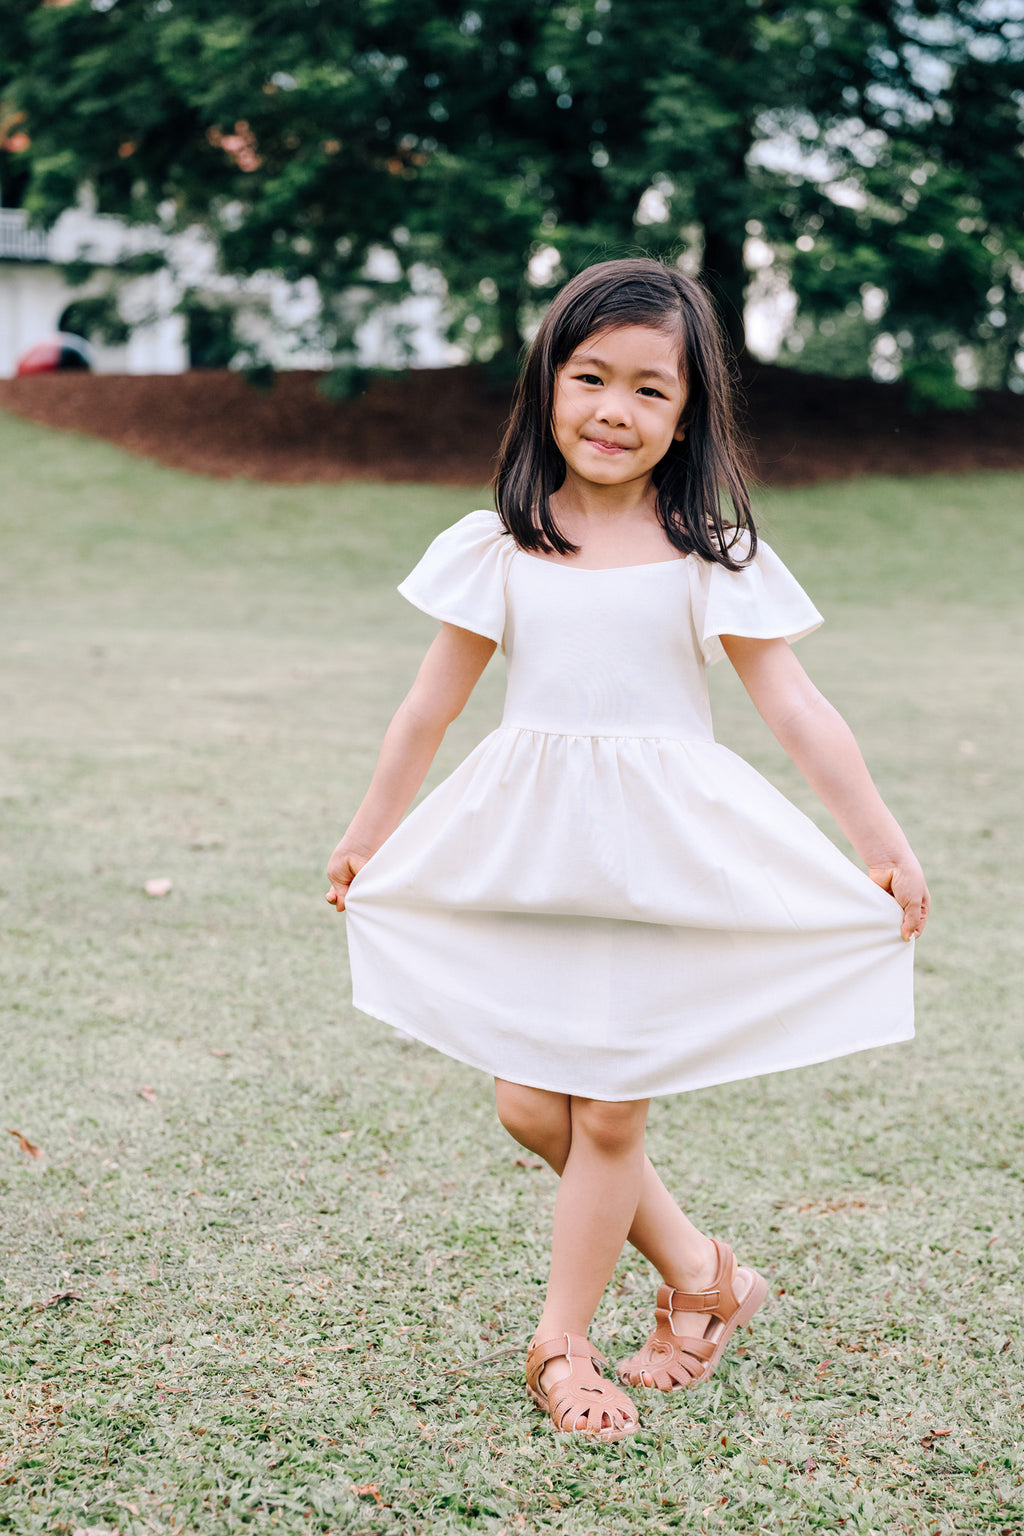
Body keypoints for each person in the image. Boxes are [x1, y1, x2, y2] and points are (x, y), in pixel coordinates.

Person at [326, 258, 929, 1444]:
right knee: (528, 1105)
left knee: (606, 1110)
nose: (614, 410)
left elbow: (797, 710)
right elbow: (427, 710)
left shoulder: (712, 553)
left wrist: (882, 841)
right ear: (546, 383)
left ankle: (563, 1342)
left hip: (662, 864)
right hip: (529, 853)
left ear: (689, 413)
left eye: (650, 391)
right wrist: (367, 834)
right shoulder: (499, 544)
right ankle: (709, 1275)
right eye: (590, 377)